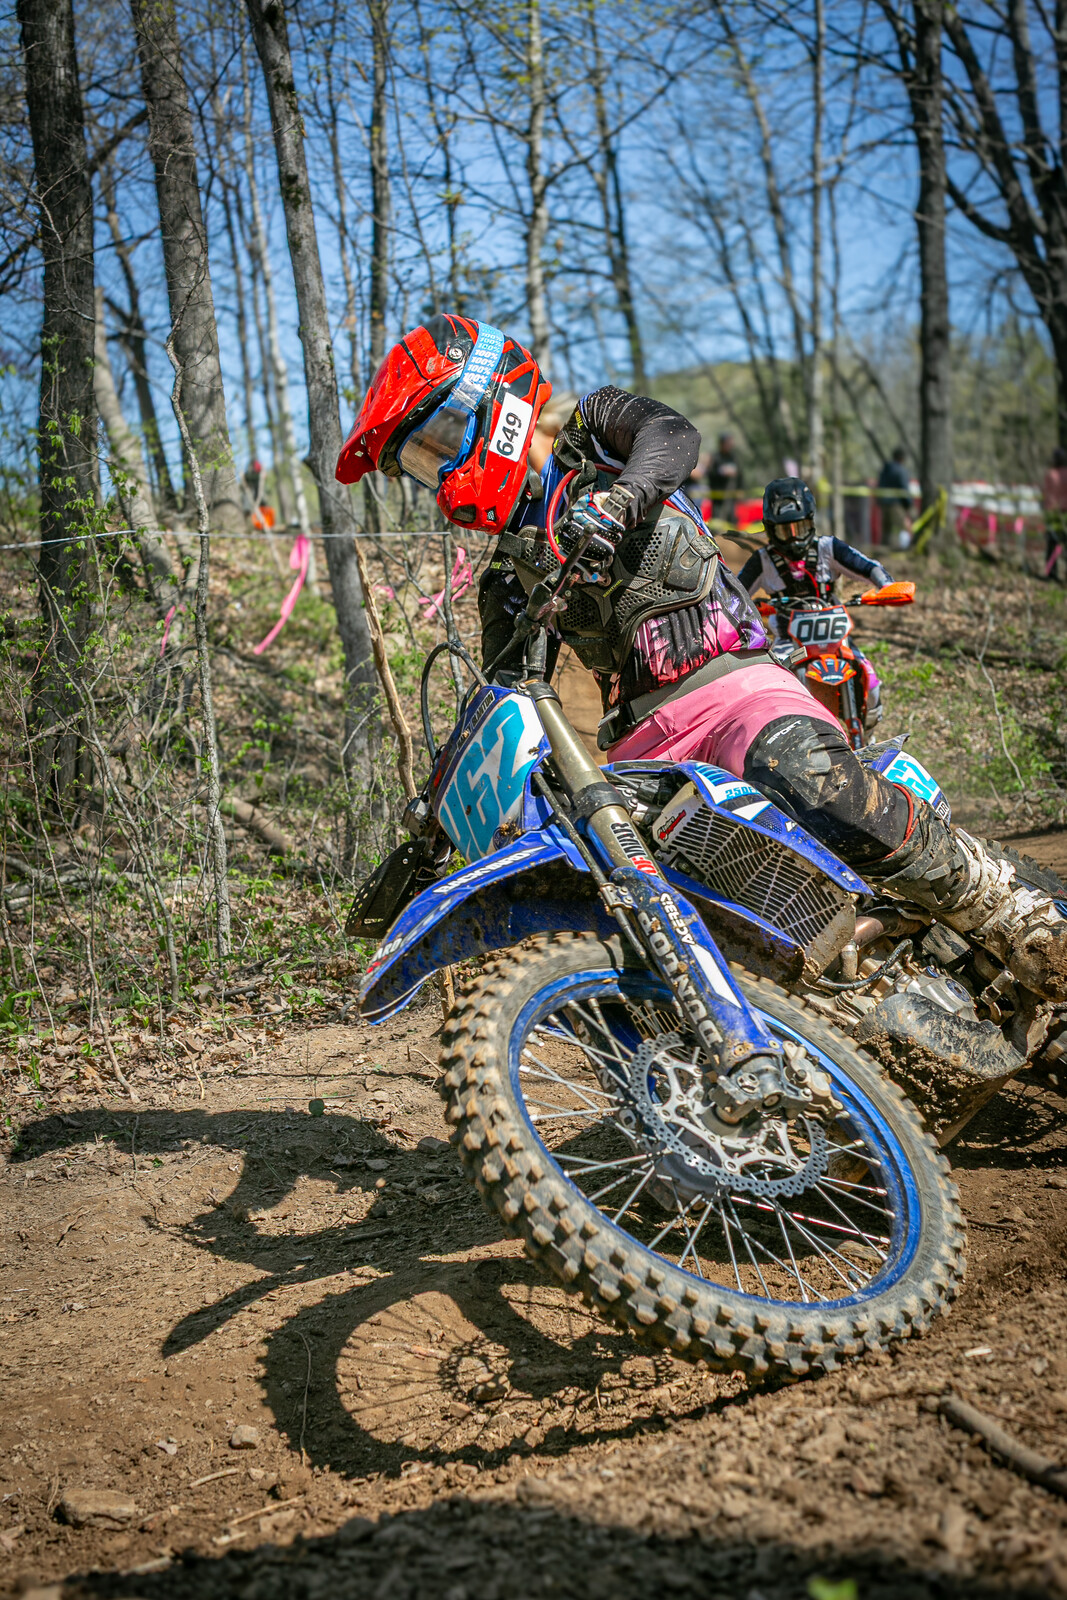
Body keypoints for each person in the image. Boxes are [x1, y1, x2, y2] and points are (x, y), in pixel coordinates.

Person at [336, 313, 1067, 1002]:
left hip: (737, 688)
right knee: (610, 879)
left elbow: (671, 436)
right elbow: (507, 693)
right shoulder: (509, 572)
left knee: (808, 780)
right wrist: (438, 818)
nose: (437, 474)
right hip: (644, 744)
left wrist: (619, 501)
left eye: (435, 442)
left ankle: (1013, 913)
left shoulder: (594, 435)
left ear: (487, 407)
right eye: (421, 463)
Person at [737, 477, 892, 730]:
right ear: (770, 529)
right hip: (788, 642)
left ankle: (869, 734)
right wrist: (738, 613)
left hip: (836, 637)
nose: (794, 537)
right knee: (777, 688)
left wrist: (887, 586)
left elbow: (868, 566)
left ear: (811, 521)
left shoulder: (828, 548)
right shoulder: (763, 560)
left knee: (870, 682)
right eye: (785, 530)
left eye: (800, 526)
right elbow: (735, 592)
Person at [1041, 446, 1067, 583]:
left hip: (1053, 514)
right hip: (1063, 513)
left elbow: (1047, 496)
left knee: (1052, 545)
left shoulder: (1050, 475)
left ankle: (1051, 573)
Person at [878, 447, 912, 550]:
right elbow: (904, 489)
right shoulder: (901, 471)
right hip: (896, 504)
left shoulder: (885, 469)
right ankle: (895, 549)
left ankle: (883, 548)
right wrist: (908, 504)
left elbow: (880, 485)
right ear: (902, 458)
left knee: (886, 528)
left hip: (884, 503)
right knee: (897, 528)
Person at [707, 431, 743, 521]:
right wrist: (721, 472)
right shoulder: (715, 457)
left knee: (731, 516)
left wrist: (740, 488)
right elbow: (710, 473)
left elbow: (740, 474)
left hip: (731, 494)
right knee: (717, 517)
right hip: (718, 494)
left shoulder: (734, 457)